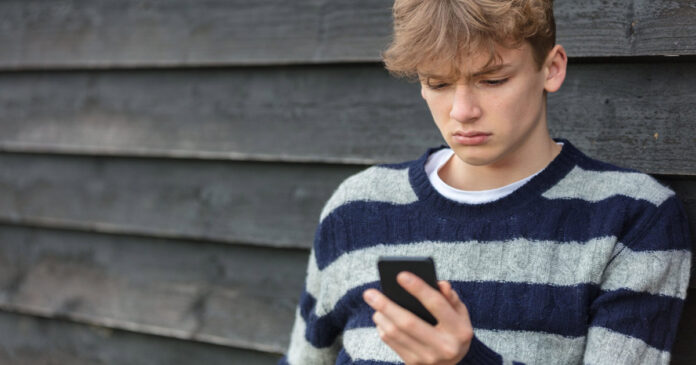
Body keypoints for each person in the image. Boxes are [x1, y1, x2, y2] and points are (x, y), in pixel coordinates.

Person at [279, 0, 692, 364]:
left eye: (492, 80)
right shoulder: (358, 207)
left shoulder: (632, 217)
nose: (462, 110)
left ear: (551, 68)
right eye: (437, 83)